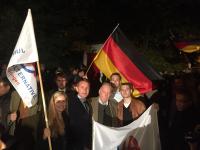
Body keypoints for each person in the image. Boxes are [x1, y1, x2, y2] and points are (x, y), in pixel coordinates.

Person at [68, 78, 92, 150]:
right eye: (82, 87)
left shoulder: (87, 103)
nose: (85, 90)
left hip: (86, 142)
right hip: (75, 143)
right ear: (77, 89)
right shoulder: (71, 102)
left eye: (87, 88)